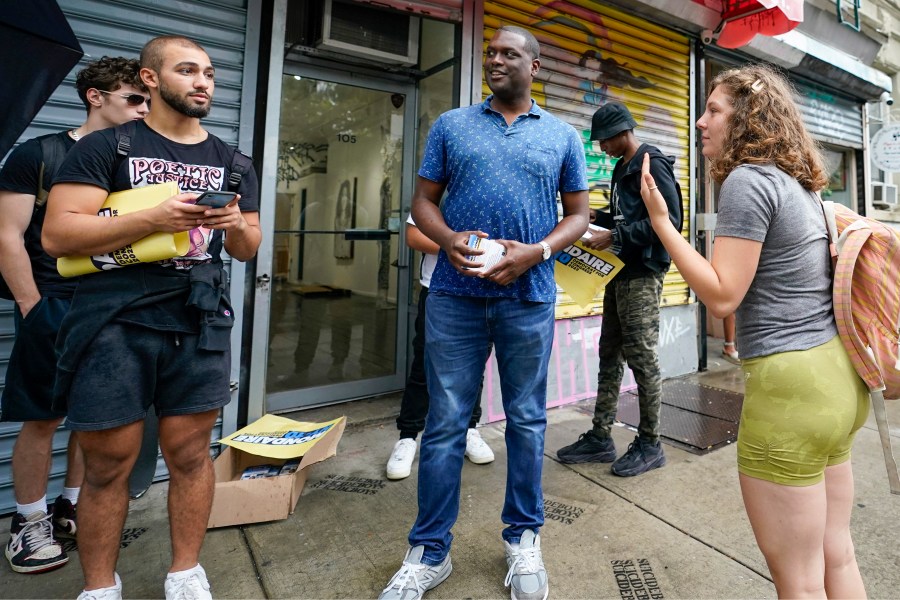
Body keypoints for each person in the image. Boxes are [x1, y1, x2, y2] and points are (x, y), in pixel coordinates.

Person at [42, 35, 261, 600]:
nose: (203, 82)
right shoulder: (105, 148)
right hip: (113, 319)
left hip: (200, 318)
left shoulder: (233, 162)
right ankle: (99, 587)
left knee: (191, 454)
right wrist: (155, 217)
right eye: (187, 70)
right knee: (109, 464)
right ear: (149, 79)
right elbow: (58, 233)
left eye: (209, 73)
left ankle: (185, 573)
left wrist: (234, 224)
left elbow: (248, 247)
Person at [640, 64, 868, 598]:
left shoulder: (747, 182)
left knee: (800, 581)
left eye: (713, 110)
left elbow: (722, 296)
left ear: (746, 119)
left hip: (791, 393)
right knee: (839, 556)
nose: (700, 121)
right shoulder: (801, 186)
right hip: (837, 383)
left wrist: (662, 224)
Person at [379, 26, 588, 600]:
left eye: (508, 53)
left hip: (529, 296)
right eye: (490, 52)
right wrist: (446, 239)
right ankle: (429, 551)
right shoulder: (452, 125)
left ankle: (523, 540)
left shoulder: (562, 136)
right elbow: (422, 201)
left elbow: (577, 214)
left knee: (525, 421)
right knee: (444, 424)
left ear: (535, 66)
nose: (494, 59)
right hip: (453, 296)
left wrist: (537, 252)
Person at [0, 56, 149, 575]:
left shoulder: (133, 161)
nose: (143, 109)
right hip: (51, 301)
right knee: (43, 416)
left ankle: (71, 506)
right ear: (96, 96)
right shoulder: (38, 154)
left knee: (97, 415)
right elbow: (7, 236)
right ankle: (28, 521)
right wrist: (31, 305)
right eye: (134, 99)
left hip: (111, 301)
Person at [556, 102, 682, 477]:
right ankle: (600, 436)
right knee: (609, 353)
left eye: (604, 141)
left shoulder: (651, 163)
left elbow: (669, 222)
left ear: (621, 132)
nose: (601, 148)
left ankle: (650, 443)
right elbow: (631, 217)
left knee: (642, 358)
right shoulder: (620, 168)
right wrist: (600, 218)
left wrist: (617, 234)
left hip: (643, 273)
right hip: (619, 272)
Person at [386, 217, 494, 481]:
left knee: (475, 367)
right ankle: (408, 437)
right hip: (439, 288)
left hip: (483, 290)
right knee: (424, 365)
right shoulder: (441, 186)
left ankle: (470, 429)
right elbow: (414, 236)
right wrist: (456, 246)